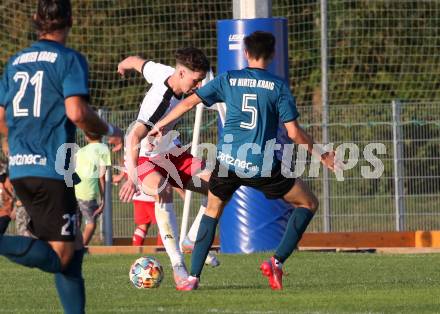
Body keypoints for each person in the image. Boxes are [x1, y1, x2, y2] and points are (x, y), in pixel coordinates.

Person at [149, 31, 338, 290]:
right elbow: (293, 132)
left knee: (212, 211)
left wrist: (160, 125)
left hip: (227, 163)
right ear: (271, 55)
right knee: (308, 203)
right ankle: (276, 262)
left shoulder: (228, 79)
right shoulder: (278, 86)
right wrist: (323, 154)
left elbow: (188, 103)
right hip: (262, 165)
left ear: (246, 53)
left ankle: (192, 278)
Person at [0, 1, 123, 313]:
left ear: (35, 20)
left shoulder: (15, 62)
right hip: (52, 170)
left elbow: (1, 116)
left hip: (23, 168)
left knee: (74, 253)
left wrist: (13, 150)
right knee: (63, 256)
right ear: (70, 20)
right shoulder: (68, 59)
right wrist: (109, 129)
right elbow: (77, 112)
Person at [117, 48, 218, 290]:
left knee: (219, 187)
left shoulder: (163, 71)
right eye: (195, 80)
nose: (197, 86)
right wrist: (132, 178)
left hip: (171, 151)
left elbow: (137, 62)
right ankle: (178, 265)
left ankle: (192, 239)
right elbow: (133, 138)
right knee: (162, 190)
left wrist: (123, 64)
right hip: (143, 156)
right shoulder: (159, 102)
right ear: (181, 73)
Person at [75, 132, 111, 246]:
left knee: (75, 223)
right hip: (88, 191)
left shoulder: (81, 151)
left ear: (86, 136)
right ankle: (80, 250)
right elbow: (101, 175)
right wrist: (103, 199)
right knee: (91, 223)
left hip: (74, 189)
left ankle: (72, 249)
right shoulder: (103, 149)